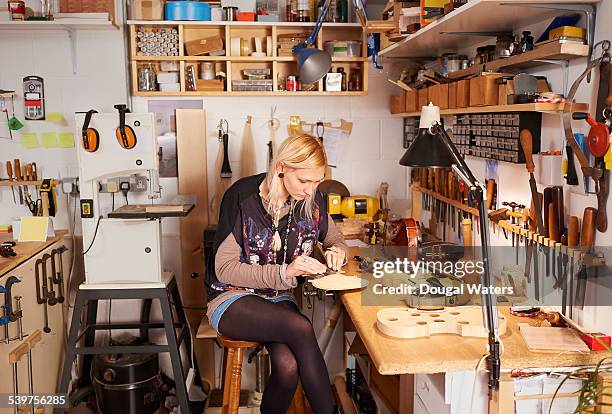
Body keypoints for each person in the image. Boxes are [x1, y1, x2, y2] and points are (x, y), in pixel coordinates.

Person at [206, 133, 348, 414]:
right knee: (301, 327)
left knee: (288, 367)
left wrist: (337, 252)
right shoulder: (241, 198)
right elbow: (224, 269)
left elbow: (336, 241)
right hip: (232, 298)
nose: (311, 190)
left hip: (278, 300)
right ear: (281, 168)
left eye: (317, 181)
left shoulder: (312, 201)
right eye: (304, 181)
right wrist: (285, 271)